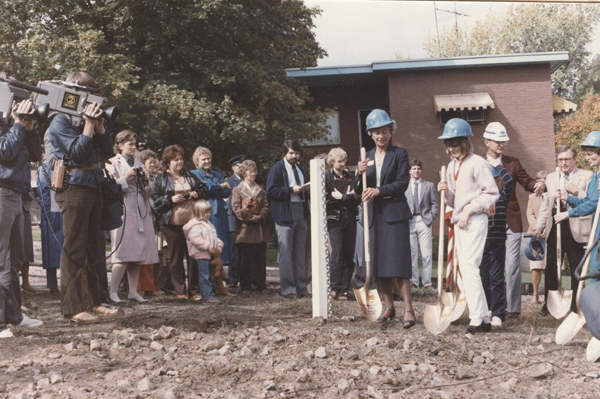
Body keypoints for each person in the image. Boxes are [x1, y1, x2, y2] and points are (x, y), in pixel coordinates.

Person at [46, 71, 120, 323]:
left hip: (92, 183)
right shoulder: (59, 121)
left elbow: (107, 153)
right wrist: (89, 125)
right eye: (85, 94)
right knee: (74, 248)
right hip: (73, 187)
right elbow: (77, 154)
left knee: (93, 246)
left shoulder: (80, 122)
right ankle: (73, 307)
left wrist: (100, 128)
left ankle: (93, 301)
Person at [437, 118, 499, 333]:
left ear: (465, 142)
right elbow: (455, 201)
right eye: (448, 144)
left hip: (475, 219)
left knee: (470, 266)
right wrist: (446, 191)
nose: (451, 148)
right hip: (460, 221)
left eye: (455, 143)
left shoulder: (477, 162)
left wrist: (470, 210)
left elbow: (492, 193)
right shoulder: (452, 166)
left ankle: (476, 318)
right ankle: (483, 317)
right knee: (465, 268)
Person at [355, 109, 415, 327]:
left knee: (399, 262)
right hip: (374, 216)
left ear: (391, 131)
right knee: (379, 264)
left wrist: (379, 190)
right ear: (370, 134)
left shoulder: (400, 154)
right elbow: (357, 189)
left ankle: (409, 309)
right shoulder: (366, 157)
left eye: (384, 131)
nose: (381, 136)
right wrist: (357, 174)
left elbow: (402, 183)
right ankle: (389, 307)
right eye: (376, 132)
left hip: (394, 213)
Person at [483, 122, 544, 317]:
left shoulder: (513, 163)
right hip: (487, 220)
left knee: (511, 265)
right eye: (497, 141)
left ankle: (513, 309)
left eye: (503, 141)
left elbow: (527, 182)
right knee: (489, 266)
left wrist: (539, 184)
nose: (501, 144)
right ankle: (490, 306)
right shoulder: (478, 164)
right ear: (486, 142)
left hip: (510, 220)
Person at [0, 92, 44, 338]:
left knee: (14, 260)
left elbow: (35, 154)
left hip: (17, 193)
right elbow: (4, 152)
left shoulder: (11, 124)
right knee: (0, 259)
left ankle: (13, 316)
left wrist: (29, 127)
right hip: (1, 193)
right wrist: (18, 123)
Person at [536, 145, 594, 314]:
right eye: (560, 160)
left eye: (567, 159)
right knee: (552, 265)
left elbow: (591, 201)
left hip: (575, 225)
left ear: (574, 160)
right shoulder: (551, 178)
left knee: (577, 265)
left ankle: (576, 304)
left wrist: (574, 191)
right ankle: (550, 304)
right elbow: (546, 205)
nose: (564, 163)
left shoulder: (586, 176)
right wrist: (539, 226)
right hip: (555, 224)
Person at [105, 130, 159, 303]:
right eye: (130, 144)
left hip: (140, 207)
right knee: (123, 250)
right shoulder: (112, 163)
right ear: (120, 145)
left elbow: (150, 190)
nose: (134, 147)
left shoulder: (139, 163)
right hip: (124, 207)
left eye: (135, 144)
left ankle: (133, 290)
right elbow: (109, 187)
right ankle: (113, 291)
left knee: (138, 252)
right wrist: (126, 177)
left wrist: (144, 180)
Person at [151, 145, 207, 299]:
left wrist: (197, 193)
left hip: (192, 223)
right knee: (176, 257)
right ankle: (180, 291)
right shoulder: (161, 178)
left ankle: (195, 291)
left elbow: (203, 189)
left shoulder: (190, 176)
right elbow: (155, 200)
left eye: (181, 159)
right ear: (168, 162)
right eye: (176, 160)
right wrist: (170, 199)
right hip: (171, 223)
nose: (179, 162)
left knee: (193, 256)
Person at [267, 139, 310, 298]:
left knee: (300, 253)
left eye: (296, 153)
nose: (294, 156)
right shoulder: (277, 169)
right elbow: (271, 191)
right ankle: (288, 289)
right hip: (285, 212)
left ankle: (302, 288)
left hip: (301, 211)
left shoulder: (301, 169)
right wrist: (291, 190)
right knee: (286, 253)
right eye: (291, 153)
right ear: (285, 153)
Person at [191, 147, 234, 296]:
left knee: (219, 246)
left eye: (208, 158)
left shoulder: (216, 174)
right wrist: (219, 186)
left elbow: (228, 191)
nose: (207, 161)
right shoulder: (194, 174)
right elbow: (204, 189)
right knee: (207, 247)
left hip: (220, 213)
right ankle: (207, 286)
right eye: (203, 159)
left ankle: (220, 285)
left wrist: (216, 188)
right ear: (197, 161)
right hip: (205, 212)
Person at [231, 160, 273, 294]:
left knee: (260, 258)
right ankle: (245, 286)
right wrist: (249, 217)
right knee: (245, 259)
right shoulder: (237, 189)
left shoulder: (260, 189)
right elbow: (235, 208)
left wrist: (260, 216)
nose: (253, 174)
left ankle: (261, 285)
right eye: (250, 172)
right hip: (245, 229)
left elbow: (266, 206)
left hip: (259, 228)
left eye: (254, 171)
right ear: (244, 173)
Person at [479, 163, 513, 328]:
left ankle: (499, 313)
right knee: (483, 276)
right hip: (482, 240)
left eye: (494, 180)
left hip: (498, 240)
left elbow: (510, 181)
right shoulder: (480, 198)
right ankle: (487, 310)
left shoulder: (503, 195)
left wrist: (497, 165)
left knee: (496, 277)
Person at [325, 148, 360, 300]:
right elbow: (326, 198)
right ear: (332, 162)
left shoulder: (351, 176)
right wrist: (343, 198)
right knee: (337, 252)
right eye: (340, 161)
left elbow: (357, 197)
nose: (343, 164)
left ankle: (345, 287)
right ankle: (334, 286)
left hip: (350, 217)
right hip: (334, 218)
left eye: (344, 161)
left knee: (348, 252)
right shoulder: (327, 177)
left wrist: (343, 197)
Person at [404, 159, 438, 289]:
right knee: (412, 253)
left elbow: (434, 203)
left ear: (421, 170)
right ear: (410, 171)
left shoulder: (428, 185)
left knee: (426, 253)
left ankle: (427, 283)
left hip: (424, 221)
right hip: (410, 221)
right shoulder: (405, 187)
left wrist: (431, 217)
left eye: (418, 168)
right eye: (414, 168)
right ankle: (414, 282)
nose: (416, 171)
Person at [183, 199, 223, 303]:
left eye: (209, 212)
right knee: (204, 276)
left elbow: (215, 237)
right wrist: (209, 247)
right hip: (202, 254)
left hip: (209, 254)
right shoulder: (195, 225)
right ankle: (206, 296)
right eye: (206, 212)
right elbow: (196, 240)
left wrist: (219, 246)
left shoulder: (209, 224)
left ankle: (208, 294)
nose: (208, 214)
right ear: (198, 212)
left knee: (209, 275)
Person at [37, 138, 62, 294]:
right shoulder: (43, 169)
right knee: (51, 247)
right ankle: (52, 284)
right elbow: (42, 193)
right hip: (50, 211)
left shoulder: (64, 166)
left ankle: (67, 281)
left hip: (63, 208)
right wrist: (47, 212)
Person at [225, 155, 246, 288]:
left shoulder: (247, 181)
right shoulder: (229, 181)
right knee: (234, 251)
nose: (242, 168)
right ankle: (232, 279)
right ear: (233, 168)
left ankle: (245, 278)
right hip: (233, 218)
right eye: (239, 165)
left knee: (245, 251)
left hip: (246, 219)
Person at [526, 170, 548, 303]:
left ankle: (550, 295)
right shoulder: (531, 197)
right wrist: (537, 228)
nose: (542, 184)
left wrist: (545, 228)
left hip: (549, 233)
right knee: (536, 265)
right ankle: (535, 295)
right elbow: (530, 214)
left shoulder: (552, 196)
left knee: (551, 266)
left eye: (544, 181)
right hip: (536, 235)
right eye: (539, 181)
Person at [21, 179, 36, 292]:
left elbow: (31, 192)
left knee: (26, 248)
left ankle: (26, 282)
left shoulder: (24, 168)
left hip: (23, 210)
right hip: (7, 206)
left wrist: (28, 194)